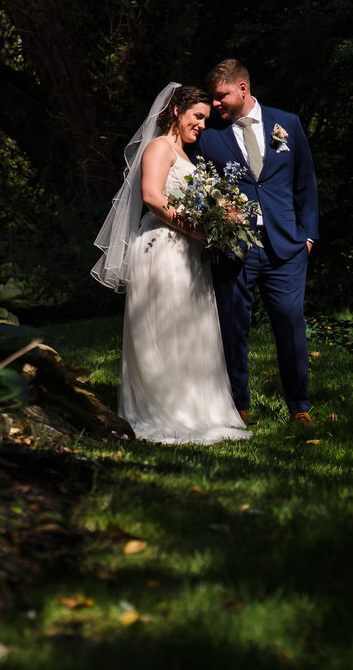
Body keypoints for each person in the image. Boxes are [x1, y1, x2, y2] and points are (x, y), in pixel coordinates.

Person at [91, 83, 252, 445]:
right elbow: (151, 196)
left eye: (205, 120)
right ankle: (161, 409)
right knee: (165, 329)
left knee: (190, 331)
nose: (202, 126)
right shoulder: (158, 147)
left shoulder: (185, 153)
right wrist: (197, 231)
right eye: (197, 117)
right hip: (161, 249)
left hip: (188, 253)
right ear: (177, 111)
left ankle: (195, 408)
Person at [194, 60, 319, 425]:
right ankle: (238, 407)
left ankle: (299, 408)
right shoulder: (208, 133)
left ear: (243, 89)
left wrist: (308, 236)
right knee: (233, 326)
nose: (215, 104)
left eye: (221, 96)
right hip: (234, 246)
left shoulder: (288, 124)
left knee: (291, 324)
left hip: (286, 247)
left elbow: (305, 183)